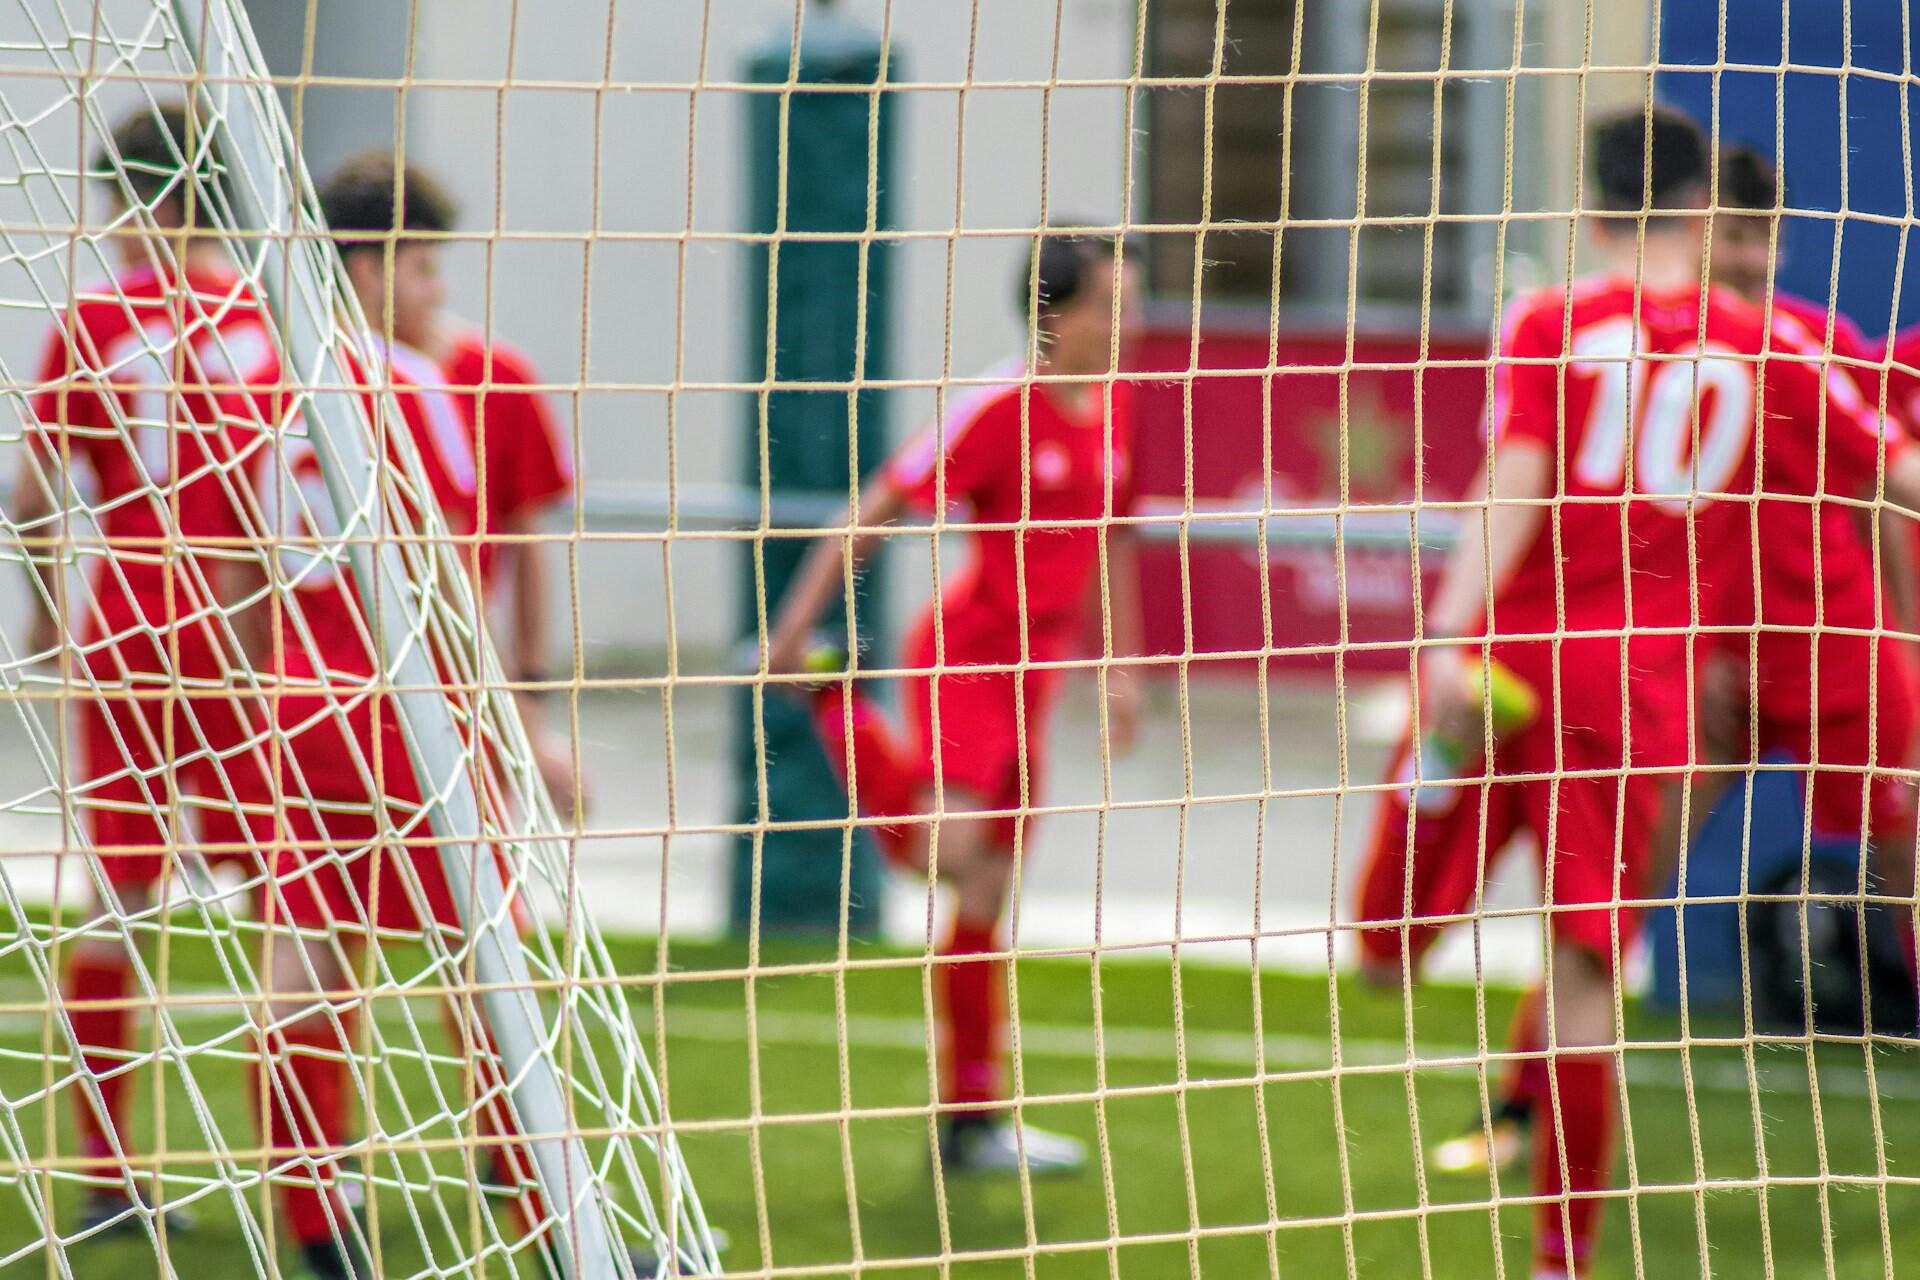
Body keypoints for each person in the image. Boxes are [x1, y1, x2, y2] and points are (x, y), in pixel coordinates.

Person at [1352, 105, 1920, 1280]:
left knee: (1433, 941)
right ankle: (1550, 1209)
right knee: (1589, 946)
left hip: (1568, 661)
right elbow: (1897, 471)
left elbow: (1512, 478)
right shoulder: (1760, 347)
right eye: (1738, 233)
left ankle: (1428, 783)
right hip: (1659, 681)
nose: (1754, 257)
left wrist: (1443, 634)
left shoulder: (1563, 321)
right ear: (1699, 210)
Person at [764, 231, 1146, 1175]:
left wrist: (1123, 669)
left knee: (985, 889)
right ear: (1055, 315)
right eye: (1111, 304)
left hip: (1036, 679)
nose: (1127, 323)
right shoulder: (996, 408)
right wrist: (789, 630)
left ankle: (970, 1121)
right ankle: (833, 700)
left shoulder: (1119, 405)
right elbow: (874, 506)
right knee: (943, 853)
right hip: (967, 661)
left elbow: (1113, 538)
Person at [12, 102, 282, 1234]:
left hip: (127, 618)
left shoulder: (94, 319)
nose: (116, 227)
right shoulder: (275, 318)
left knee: (118, 896)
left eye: (123, 202)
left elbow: (31, 502)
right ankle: (312, 1169)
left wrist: (42, 613)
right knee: (287, 897)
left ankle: (109, 1173)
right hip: (245, 626)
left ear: (154, 200)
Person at [313, 153, 581, 814]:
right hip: (330, 688)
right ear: (368, 273)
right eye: (423, 268)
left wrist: (527, 706)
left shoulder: (499, 378)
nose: (439, 290)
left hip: (444, 685)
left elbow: (525, 547)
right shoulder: (305, 385)